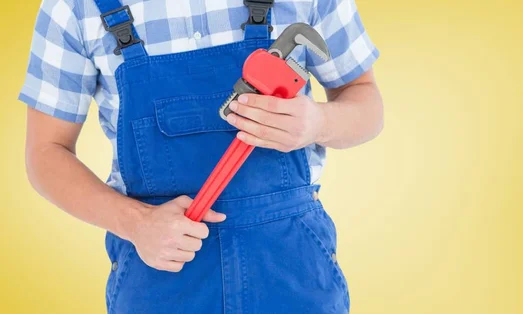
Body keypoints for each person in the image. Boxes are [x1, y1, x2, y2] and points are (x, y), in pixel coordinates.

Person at [19, 0, 383, 313]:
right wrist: (136, 223)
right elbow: (45, 153)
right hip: (162, 272)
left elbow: (366, 103)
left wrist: (318, 122)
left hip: (293, 268)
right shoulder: (76, 8)